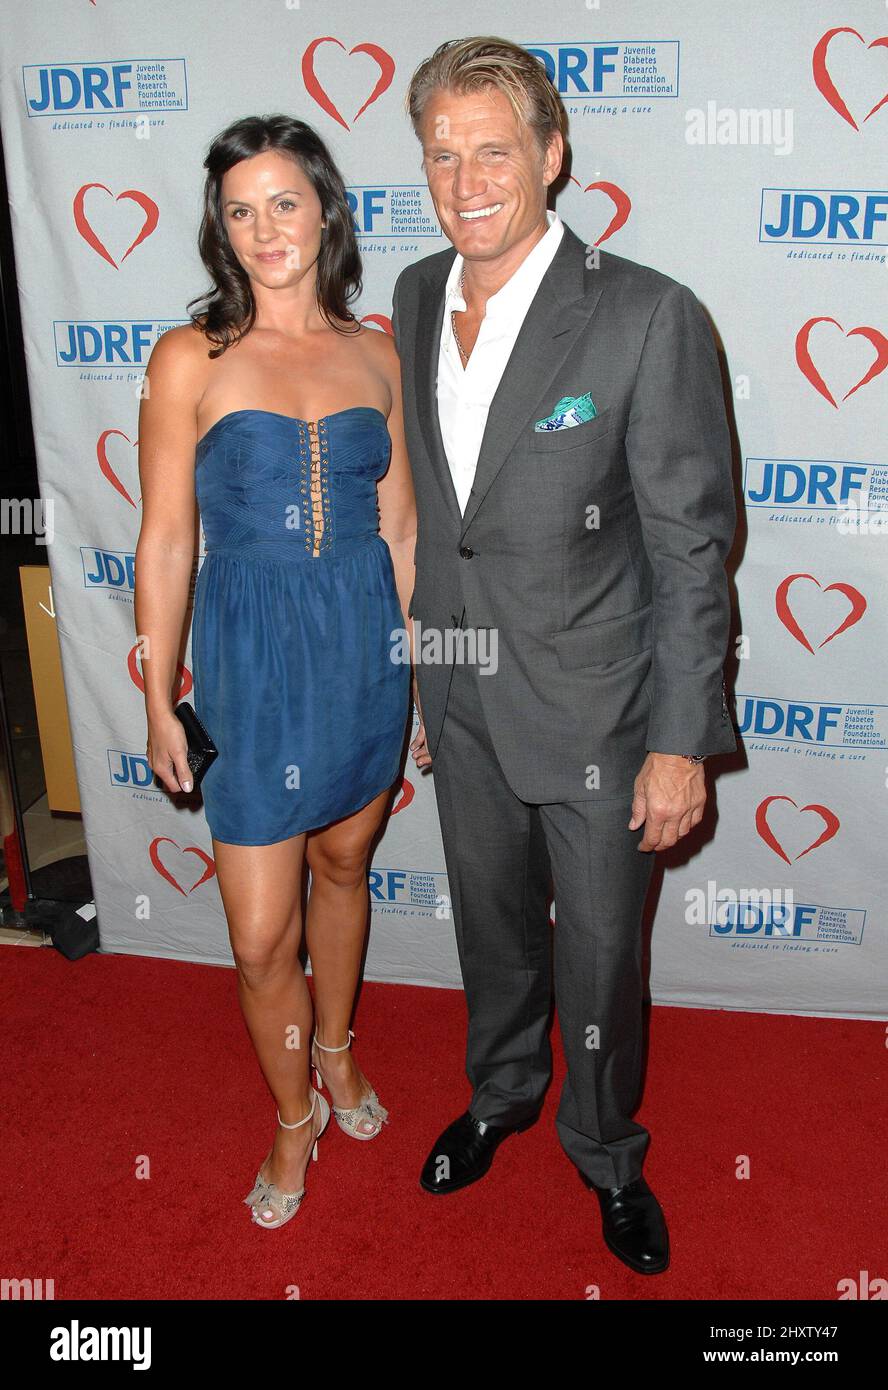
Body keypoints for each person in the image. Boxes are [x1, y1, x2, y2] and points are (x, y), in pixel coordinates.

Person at [392, 38, 737, 1275]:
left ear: (551, 155)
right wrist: (428, 671)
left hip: (602, 711)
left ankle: (602, 1148)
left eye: (494, 150)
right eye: (442, 153)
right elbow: (448, 517)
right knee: (493, 928)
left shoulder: (647, 313)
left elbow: (696, 553)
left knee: (598, 952)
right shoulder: (418, 293)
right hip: (466, 689)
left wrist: (678, 742)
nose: (466, 178)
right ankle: (500, 1094)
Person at [134, 114, 417, 1229]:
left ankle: (338, 1053)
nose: (264, 229)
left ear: (326, 210)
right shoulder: (187, 357)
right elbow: (166, 540)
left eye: (284, 203)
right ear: (221, 228)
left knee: (345, 870)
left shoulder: (377, 350)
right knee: (260, 933)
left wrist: (423, 670)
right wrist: (157, 692)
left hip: (363, 651)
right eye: (240, 211)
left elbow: (400, 532)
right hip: (249, 664)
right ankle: (292, 1115)